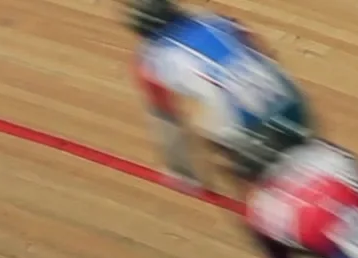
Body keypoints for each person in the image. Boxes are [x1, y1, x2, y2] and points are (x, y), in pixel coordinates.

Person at [126, 0, 310, 191]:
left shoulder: (150, 61)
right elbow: (264, 52)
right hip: (289, 95)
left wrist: (182, 170)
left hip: (244, 122)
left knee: (215, 139)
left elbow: (168, 121)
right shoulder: (215, 20)